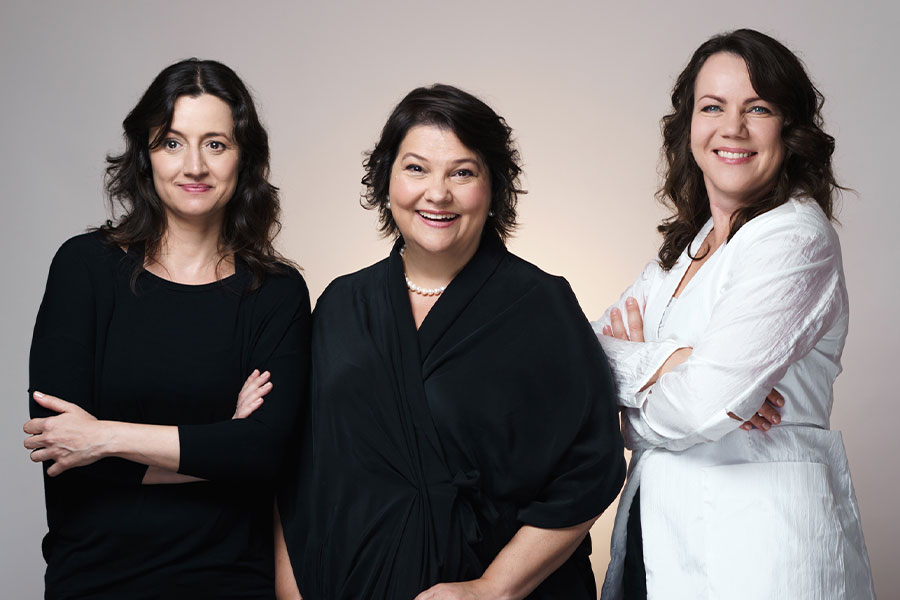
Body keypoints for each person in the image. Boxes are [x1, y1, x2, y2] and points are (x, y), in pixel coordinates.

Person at [275, 84, 626, 599]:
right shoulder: (342, 305)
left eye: (462, 172)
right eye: (416, 168)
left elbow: (590, 469)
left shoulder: (539, 305)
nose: (437, 193)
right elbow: (301, 476)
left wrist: (490, 590)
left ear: (493, 186)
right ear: (386, 179)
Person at [592, 29, 875, 599]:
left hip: (761, 551)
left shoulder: (794, 239)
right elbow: (582, 353)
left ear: (789, 130)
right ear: (689, 126)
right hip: (659, 536)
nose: (733, 128)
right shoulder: (688, 248)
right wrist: (678, 362)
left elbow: (701, 405)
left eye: (758, 108)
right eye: (712, 107)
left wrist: (632, 412)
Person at [23, 59, 310, 599]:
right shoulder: (84, 268)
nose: (194, 165)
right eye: (172, 142)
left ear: (243, 157)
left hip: (228, 582)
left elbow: (267, 454)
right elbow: (64, 452)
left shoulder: (276, 292)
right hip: (95, 580)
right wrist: (222, 443)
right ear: (145, 154)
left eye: (216, 144)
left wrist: (107, 437)